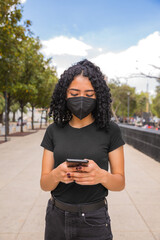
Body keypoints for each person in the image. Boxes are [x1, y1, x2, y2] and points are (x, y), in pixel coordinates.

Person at [40, 59, 125, 240]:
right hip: (56, 218)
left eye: (89, 94)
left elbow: (120, 183)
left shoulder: (111, 131)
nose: (81, 99)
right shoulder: (53, 130)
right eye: (75, 92)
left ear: (98, 96)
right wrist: (56, 175)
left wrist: (101, 176)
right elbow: (44, 184)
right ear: (64, 94)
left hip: (94, 219)